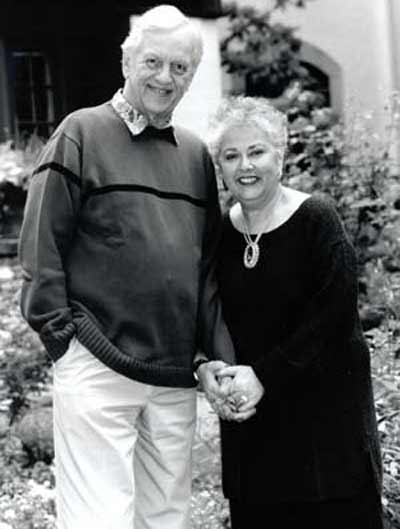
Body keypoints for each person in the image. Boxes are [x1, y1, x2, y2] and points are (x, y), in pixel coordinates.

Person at [18, 6, 234, 529]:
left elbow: (206, 267)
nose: (165, 77)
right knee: (100, 520)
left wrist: (209, 354)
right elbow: (40, 241)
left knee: (165, 518)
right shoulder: (81, 133)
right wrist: (63, 340)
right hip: (97, 363)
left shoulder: (195, 156)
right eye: (153, 62)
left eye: (180, 68)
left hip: (172, 373)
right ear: (126, 61)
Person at [202, 96, 384, 529]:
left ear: (280, 157)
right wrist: (205, 367)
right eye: (231, 155)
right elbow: (206, 312)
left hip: (326, 440)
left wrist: (263, 374)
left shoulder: (316, 220)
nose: (245, 165)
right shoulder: (221, 233)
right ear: (220, 168)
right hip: (256, 440)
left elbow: (332, 320)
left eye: (257, 151)